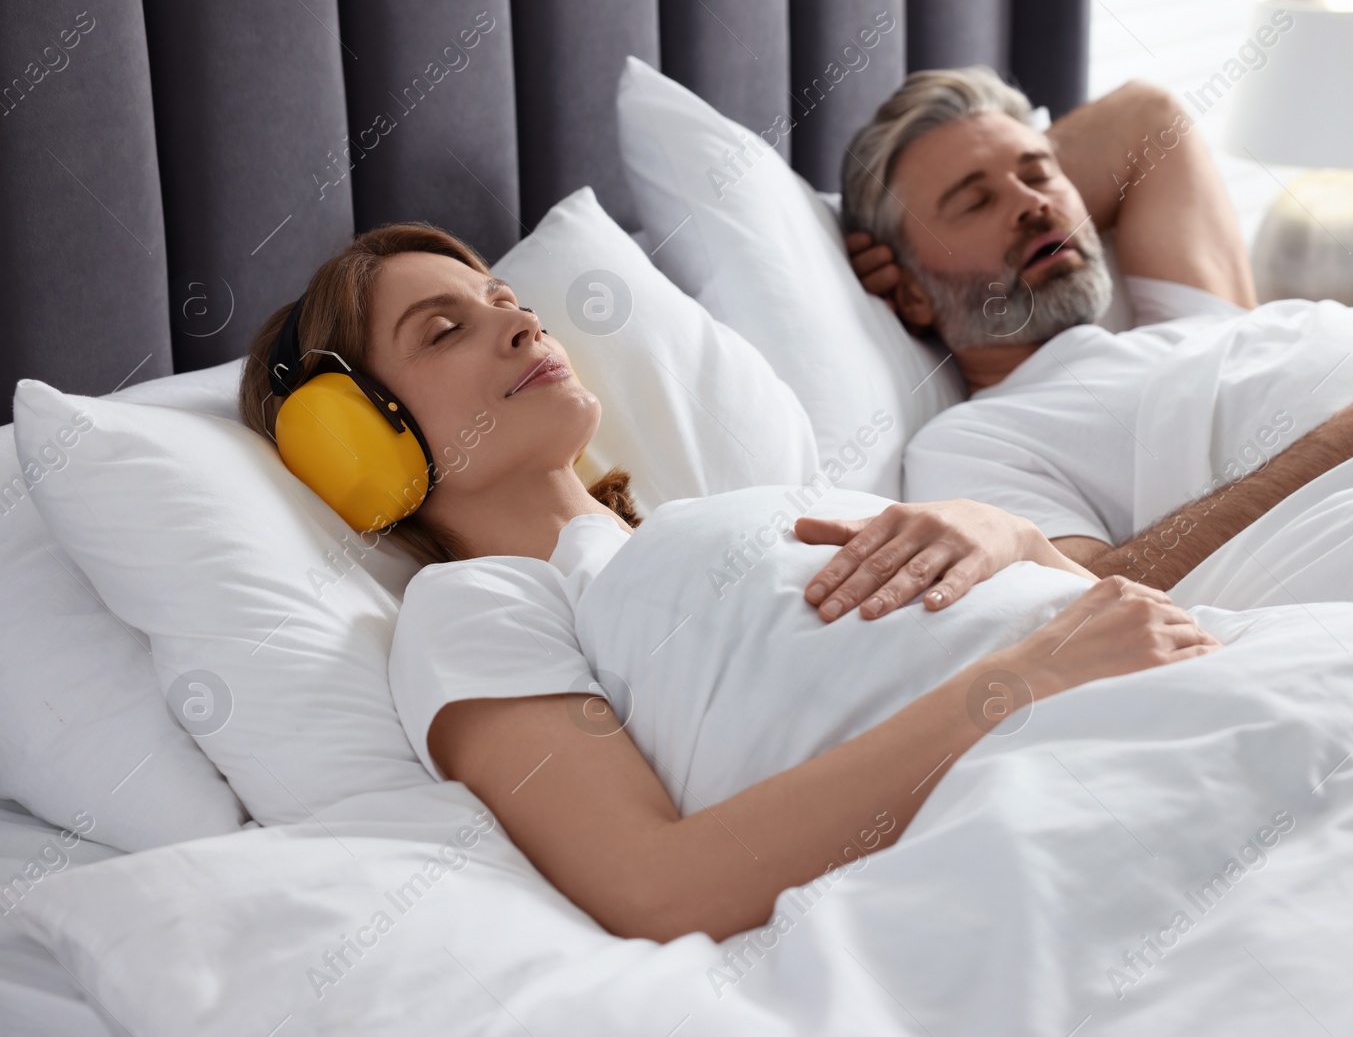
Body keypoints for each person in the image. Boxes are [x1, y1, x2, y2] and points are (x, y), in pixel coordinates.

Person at [237, 223, 1221, 943]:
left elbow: (1099, 610)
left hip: (1179, 689)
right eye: (444, 329)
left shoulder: (707, 521)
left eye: (507, 299)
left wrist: (1005, 532)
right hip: (1067, 780)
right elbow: (653, 886)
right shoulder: (480, 604)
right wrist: (1027, 677)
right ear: (360, 440)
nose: (519, 324)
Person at [838, 67, 1353, 591]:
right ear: (905, 290)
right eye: (973, 202)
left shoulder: (1188, 320)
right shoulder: (975, 440)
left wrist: (993, 196)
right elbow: (1081, 602)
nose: (1033, 204)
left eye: (1041, 173)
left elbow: (1148, 118)